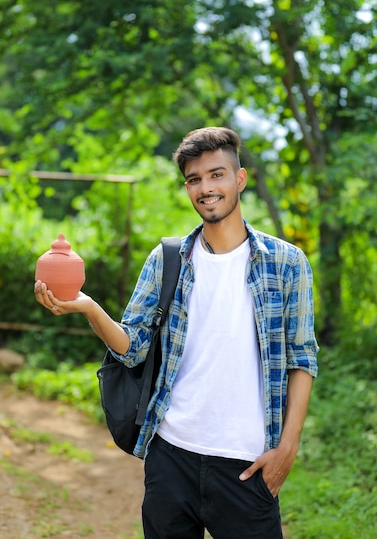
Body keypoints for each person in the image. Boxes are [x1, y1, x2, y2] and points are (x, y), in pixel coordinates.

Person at [35, 126, 319, 539]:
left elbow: (302, 359)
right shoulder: (168, 258)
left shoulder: (287, 263)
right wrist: (89, 308)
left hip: (246, 464)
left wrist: (287, 449)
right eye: (194, 179)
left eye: (217, 174)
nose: (206, 188)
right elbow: (132, 348)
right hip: (171, 456)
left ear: (239, 179)